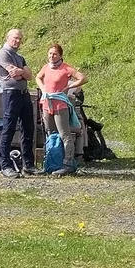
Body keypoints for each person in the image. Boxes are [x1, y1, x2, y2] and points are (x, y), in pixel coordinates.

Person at [35, 43, 88, 176]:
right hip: (47, 104)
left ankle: (68, 163)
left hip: (60, 105)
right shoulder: (46, 67)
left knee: (64, 135)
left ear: (60, 55)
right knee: (49, 133)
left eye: (55, 54)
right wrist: (42, 88)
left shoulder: (66, 68)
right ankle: (50, 162)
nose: (51, 56)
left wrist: (69, 87)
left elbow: (83, 78)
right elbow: (38, 77)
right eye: (50, 54)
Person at [0, 28, 37, 178]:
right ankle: (5, 165)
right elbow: (14, 74)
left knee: (28, 128)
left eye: (20, 39)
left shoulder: (20, 57)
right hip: (11, 94)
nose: (17, 41)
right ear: (7, 38)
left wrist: (21, 73)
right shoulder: (2, 54)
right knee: (9, 128)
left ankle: (28, 164)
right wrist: (21, 73)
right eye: (15, 38)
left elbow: (29, 75)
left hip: (23, 94)